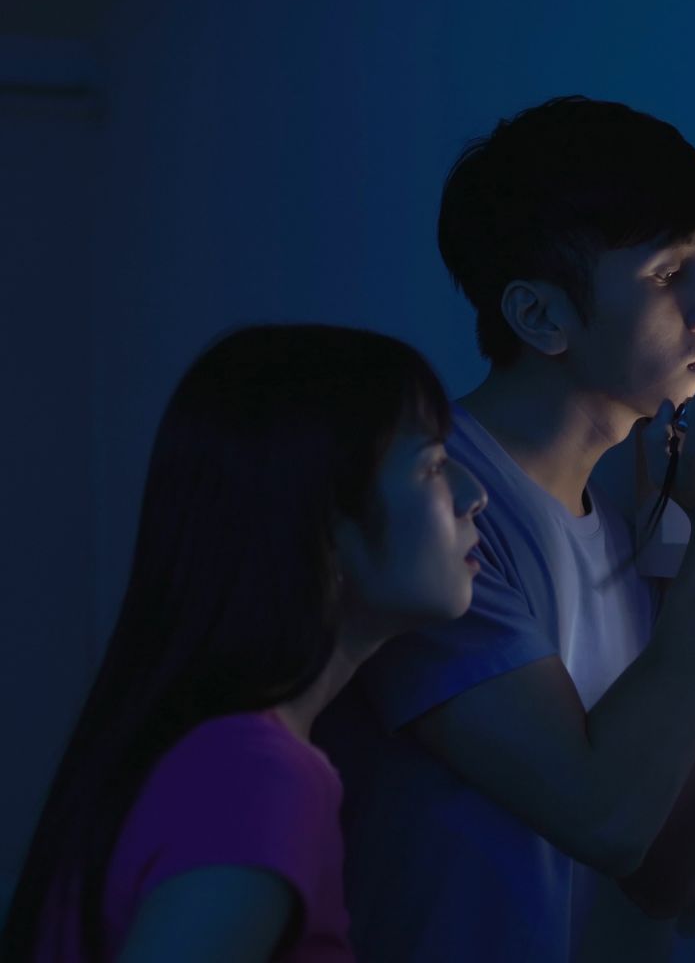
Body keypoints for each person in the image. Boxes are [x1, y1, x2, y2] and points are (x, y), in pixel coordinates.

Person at [316, 96, 695, 961]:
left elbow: (657, 881)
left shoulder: (614, 521)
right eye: (670, 275)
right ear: (540, 318)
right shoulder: (436, 515)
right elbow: (606, 822)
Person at [1, 325, 486, 963]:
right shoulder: (255, 777)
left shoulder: (224, 753)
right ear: (325, 523)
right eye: (430, 465)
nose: (473, 495)